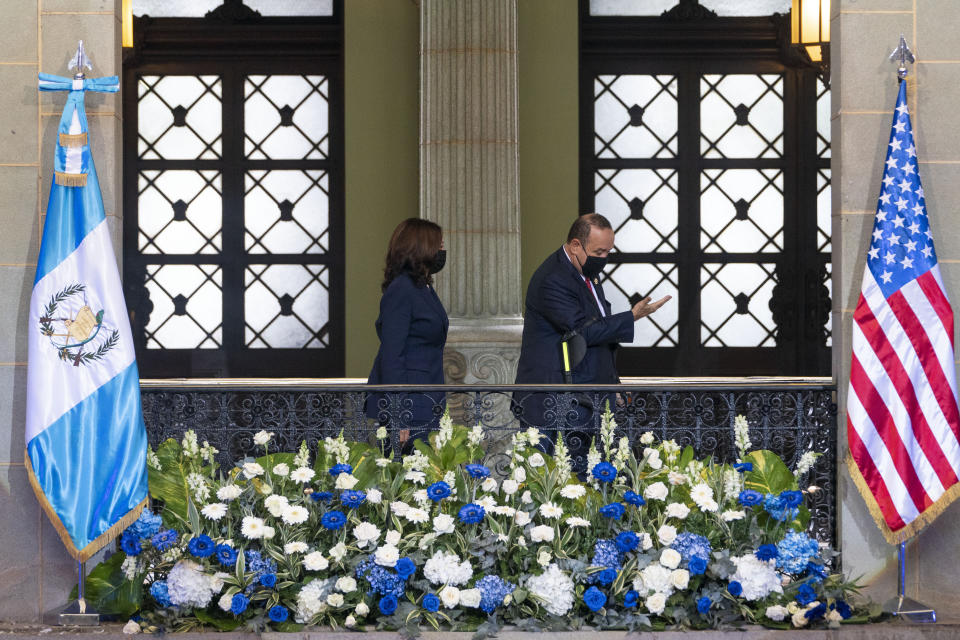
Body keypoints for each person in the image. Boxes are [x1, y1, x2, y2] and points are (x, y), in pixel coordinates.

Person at [514, 213, 670, 458]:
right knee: (546, 479)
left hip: (581, 397)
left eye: (608, 252)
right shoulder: (553, 279)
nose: (604, 259)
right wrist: (632, 317)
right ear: (576, 245)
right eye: (598, 253)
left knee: (581, 476)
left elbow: (599, 331)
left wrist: (611, 382)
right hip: (552, 399)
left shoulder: (585, 274)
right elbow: (584, 330)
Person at [366, 218, 449, 449]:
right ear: (421, 248)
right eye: (439, 244)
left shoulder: (423, 288)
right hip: (410, 405)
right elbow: (392, 355)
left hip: (426, 399)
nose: (443, 250)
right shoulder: (402, 290)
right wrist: (398, 414)